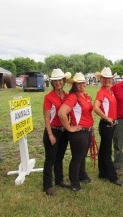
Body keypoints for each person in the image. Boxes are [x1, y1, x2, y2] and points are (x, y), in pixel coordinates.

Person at [58, 72, 94, 192]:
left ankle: (82, 175)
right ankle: (74, 183)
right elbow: (62, 113)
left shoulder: (85, 96)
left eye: (83, 82)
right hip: (79, 132)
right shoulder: (73, 97)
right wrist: (70, 128)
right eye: (78, 83)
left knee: (82, 156)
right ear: (74, 85)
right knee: (77, 158)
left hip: (87, 131)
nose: (82, 85)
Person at [42, 68, 71, 196]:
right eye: (55, 81)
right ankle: (47, 185)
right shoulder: (49, 97)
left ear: (63, 81)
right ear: (52, 82)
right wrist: (50, 135)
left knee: (59, 157)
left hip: (64, 131)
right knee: (50, 159)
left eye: (60, 80)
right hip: (53, 130)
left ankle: (59, 180)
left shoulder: (67, 95)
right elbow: (46, 117)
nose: (58, 83)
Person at [93, 67, 123, 186]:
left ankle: (103, 172)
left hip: (111, 124)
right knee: (107, 151)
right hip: (107, 125)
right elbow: (95, 107)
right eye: (104, 78)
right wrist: (107, 118)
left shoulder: (110, 91)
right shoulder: (101, 92)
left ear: (112, 79)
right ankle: (113, 176)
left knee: (104, 148)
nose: (107, 80)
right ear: (101, 79)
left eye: (109, 78)